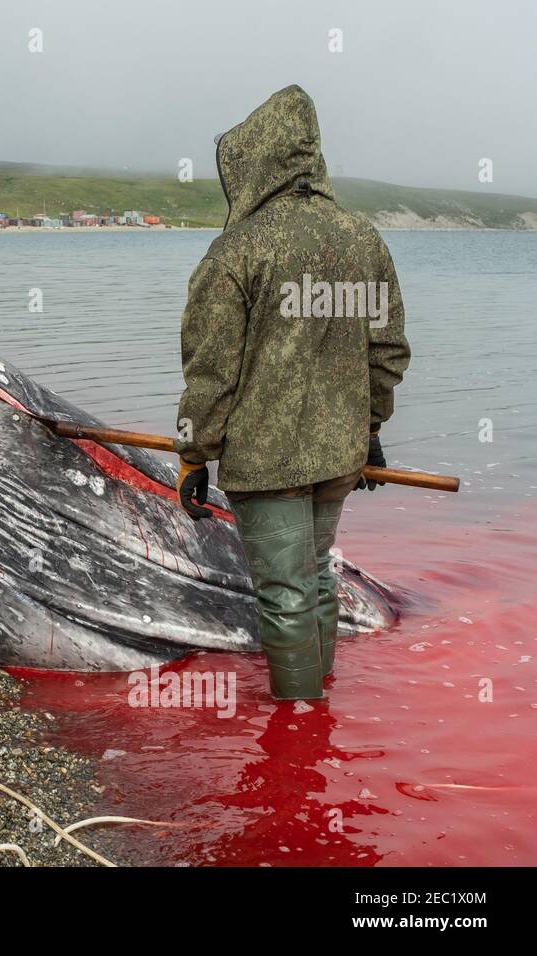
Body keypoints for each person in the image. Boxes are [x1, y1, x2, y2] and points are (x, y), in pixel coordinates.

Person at [172, 85, 411, 701]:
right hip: (339, 452)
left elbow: (210, 374)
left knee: (285, 594)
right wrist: (371, 433)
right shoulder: (363, 240)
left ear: (254, 163)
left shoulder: (236, 252)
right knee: (314, 577)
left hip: (267, 460)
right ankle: (319, 721)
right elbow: (385, 353)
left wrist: (194, 454)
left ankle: (299, 733)